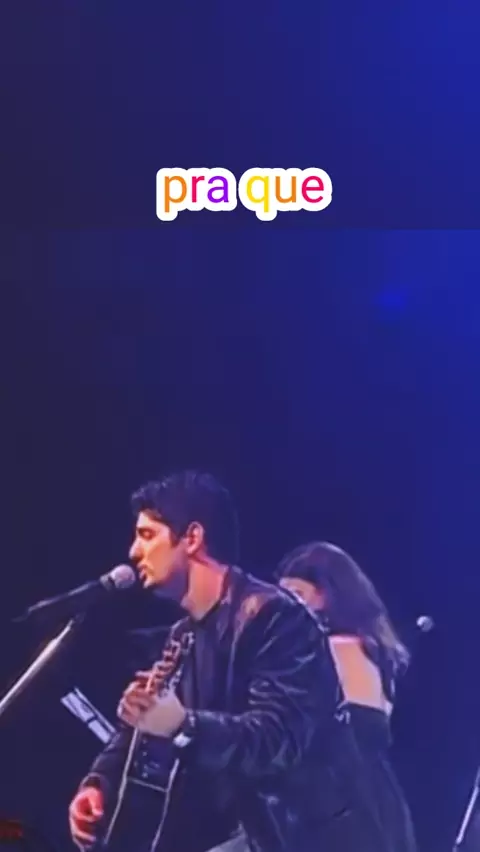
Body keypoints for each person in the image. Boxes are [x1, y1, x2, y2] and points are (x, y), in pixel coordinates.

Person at [68, 471, 387, 852]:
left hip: (315, 837)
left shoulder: (276, 618)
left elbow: (277, 741)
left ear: (192, 538)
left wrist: (183, 725)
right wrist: (99, 782)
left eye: (147, 535)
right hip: (258, 836)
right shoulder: (183, 636)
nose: (134, 551)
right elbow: (144, 723)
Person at [277, 540, 418, 852]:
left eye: (297, 595)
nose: (285, 607)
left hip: (342, 808)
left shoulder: (333, 650)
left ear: (329, 596)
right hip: (374, 803)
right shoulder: (372, 650)